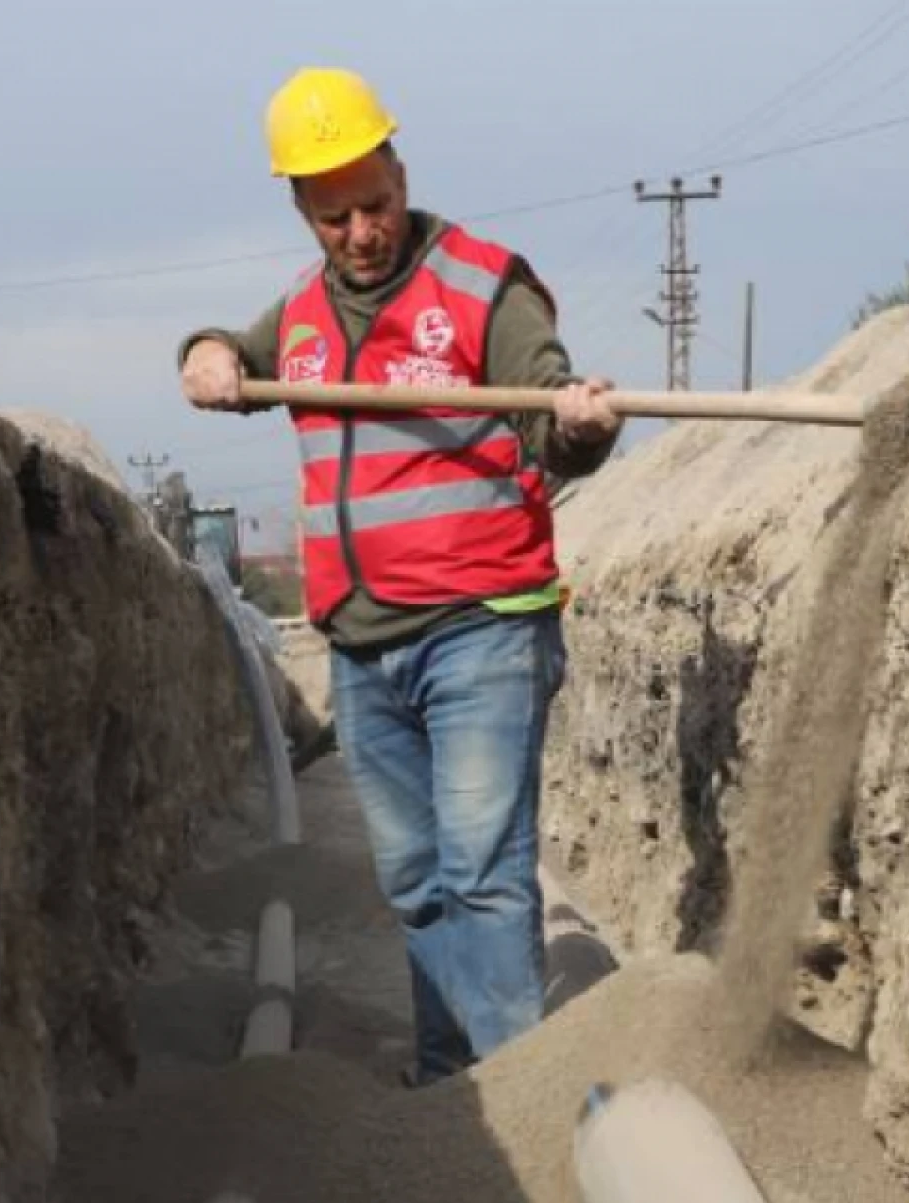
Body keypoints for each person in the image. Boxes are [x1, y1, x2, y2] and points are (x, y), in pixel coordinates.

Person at [178, 67, 623, 1085]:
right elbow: (224, 354)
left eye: (374, 204)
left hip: (481, 627)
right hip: (360, 645)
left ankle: (519, 1096)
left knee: (483, 872)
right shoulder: (299, 315)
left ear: (400, 169)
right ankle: (445, 1080)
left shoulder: (479, 282)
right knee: (417, 879)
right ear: (301, 209)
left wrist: (578, 428)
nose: (361, 233)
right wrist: (203, 353)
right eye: (333, 217)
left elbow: (546, 411)